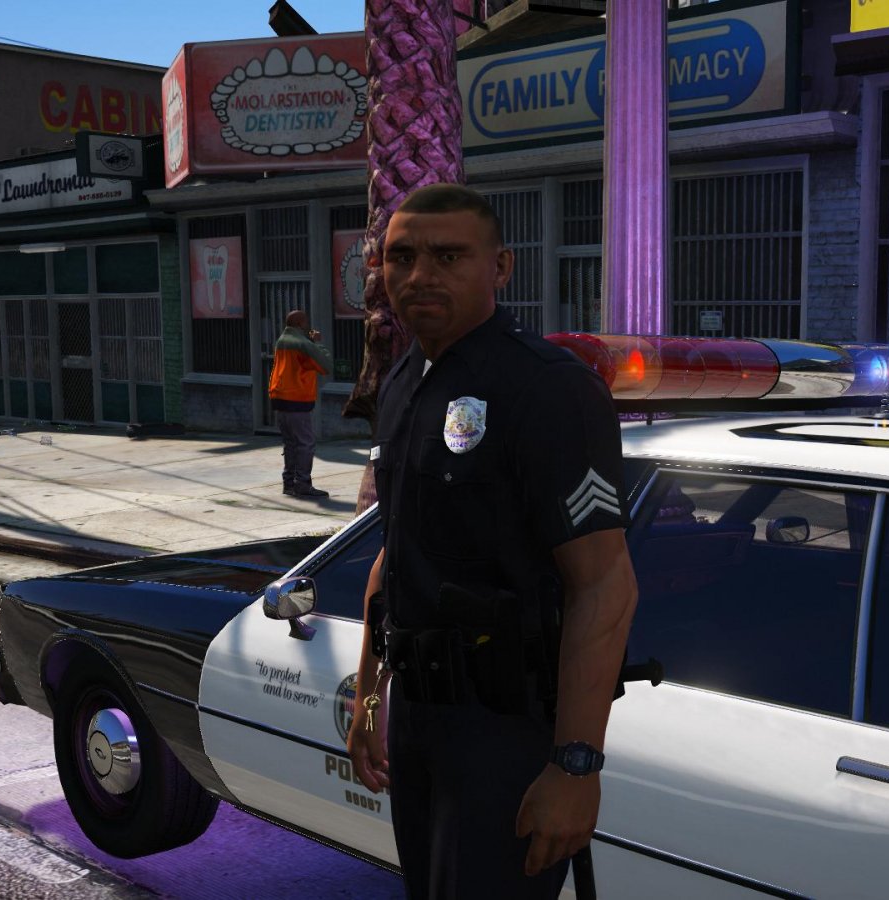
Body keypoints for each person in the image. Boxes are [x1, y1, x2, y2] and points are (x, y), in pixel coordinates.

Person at [344, 183, 639, 899]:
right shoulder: (404, 382)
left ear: (500, 267)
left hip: (504, 729)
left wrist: (575, 765)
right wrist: (370, 696)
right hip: (421, 719)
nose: (420, 275)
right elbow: (396, 551)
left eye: (448, 256)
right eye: (402, 257)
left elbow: (604, 584)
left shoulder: (547, 389)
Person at [268, 309, 333, 499]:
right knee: (306, 443)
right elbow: (325, 365)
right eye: (305, 322)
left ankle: (289, 483)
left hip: (279, 398)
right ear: (300, 324)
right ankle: (303, 484)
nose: (307, 325)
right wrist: (317, 343)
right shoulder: (303, 344)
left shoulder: (282, 340)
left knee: (290, 444)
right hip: (297, 399)